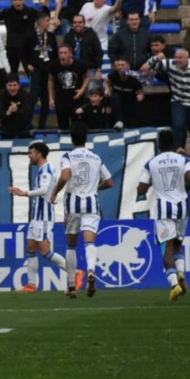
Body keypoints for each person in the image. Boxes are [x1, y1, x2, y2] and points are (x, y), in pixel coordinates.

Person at [50, 122, 113, 298]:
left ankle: (71, 286)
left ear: (72, 138)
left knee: (71, 245)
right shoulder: (95, 157)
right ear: (86, 138)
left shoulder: (68, 156)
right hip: (92, 203)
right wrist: (95, 187)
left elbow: (64, 176)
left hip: (72, 204)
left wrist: (55, 192)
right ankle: (91, 272)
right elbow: (109, 182)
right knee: (89, 243)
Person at [136, 129, 190, 302]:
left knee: (166, 248)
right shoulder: (184, 160)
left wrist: (148, 186)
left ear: (159, 144)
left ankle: (173, 284)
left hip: (164, 209)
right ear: (173, 143)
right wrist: (183, 190)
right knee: (178, 245)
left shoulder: (151, 163)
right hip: (182, 207)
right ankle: (181, 272)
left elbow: (141, 188)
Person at [9, 142, 66, 292]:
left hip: (43, 217)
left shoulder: (46, 170)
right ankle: (31, 284)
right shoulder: (43, 169)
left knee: (45, 251)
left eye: (31, 152)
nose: (29, 156)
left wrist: (24, 193)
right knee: (31, 248)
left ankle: (75, 272)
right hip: (37, 217)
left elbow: (44, 190)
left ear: (39, 154)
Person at [140, 48, 190, 150]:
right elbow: (145, 67)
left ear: (187, 58)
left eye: (180, 58)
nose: (178, 60)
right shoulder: (170, 64)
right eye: (176, 57)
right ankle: (178, 151)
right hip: (179, 101)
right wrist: (156, 57)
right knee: (177, 126)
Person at [0, 0, 37, 77]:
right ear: (12, 1)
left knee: (32, 74)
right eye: (15, 0)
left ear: (24, 0)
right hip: (12, 48)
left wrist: (44, 6)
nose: (17, 2)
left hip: (27, 48)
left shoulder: (31, 12)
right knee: (12, 74)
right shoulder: (7, 12)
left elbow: (44, 16)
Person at [49, 43, 91, 131]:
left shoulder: (80, 64)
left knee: (77, 127)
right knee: (62, 127)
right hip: (61, 99)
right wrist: (51, 98)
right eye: (60, 53)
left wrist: (82, 90)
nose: (62, 55)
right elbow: (51, 80)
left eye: (64, 53)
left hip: (76, 99)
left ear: (70, 54)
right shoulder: (54, 65)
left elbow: (87, 77)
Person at [27, 14, 59, 128]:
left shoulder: (51, 36)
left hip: (48, 71)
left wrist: (54, 68)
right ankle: (28, 125)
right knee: (33, 98)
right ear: (40, 23)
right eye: (47, 21)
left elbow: (55, 54)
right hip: (36, 71)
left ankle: (42, 126)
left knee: (46, 100)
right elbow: (22, 53)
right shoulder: (30, 36)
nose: (49, 22)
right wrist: (27, 64)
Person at [105, 58, 145, 129]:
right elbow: (107, 81)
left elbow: (140, 92)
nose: (120, 67)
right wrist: (107, 88)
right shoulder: (114, 74)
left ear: (128, 66)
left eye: (122, 65)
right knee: (114, 97)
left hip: (129, 101)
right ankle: (119, 121)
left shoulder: (134, 77)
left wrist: (140, 96)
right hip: (116, 101)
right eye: (118, 65)